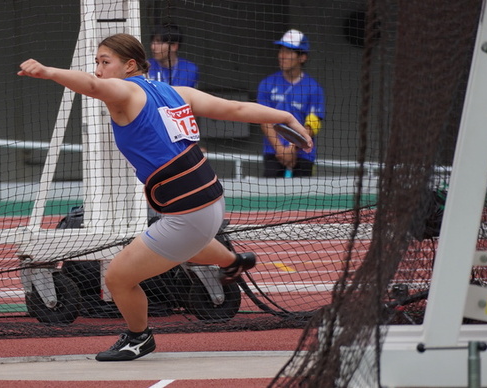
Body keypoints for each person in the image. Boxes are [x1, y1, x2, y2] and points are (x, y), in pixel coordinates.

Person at [18, 33, 311, 362]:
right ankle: (232, 261)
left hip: (189, 212)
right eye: (96, 63)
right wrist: (282, 116)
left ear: (130, 65)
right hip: (210, 203)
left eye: (105, 62)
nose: (98, 69)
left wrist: (48, 71)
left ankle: (138, 337)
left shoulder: (125, 90)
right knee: (184, 244)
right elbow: (236, 109)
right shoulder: (175, 92)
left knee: (118, 277)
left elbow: (93, 86)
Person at [257, 29, 325, 178]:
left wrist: (292, 148)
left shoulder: (314, 88)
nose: (282, 56)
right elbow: (263, 119)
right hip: (273, 152)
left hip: (303, 155)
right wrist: (281, 149)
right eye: (281, 50)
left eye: (288, 52)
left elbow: (313, 123)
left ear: (302, 57)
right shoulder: (267, 83)